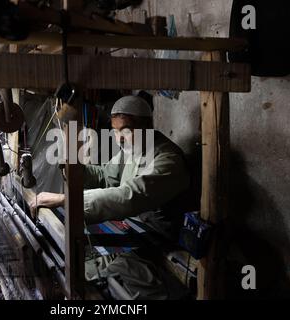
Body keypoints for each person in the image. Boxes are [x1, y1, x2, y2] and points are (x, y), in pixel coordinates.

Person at [30, 95, 190, 299]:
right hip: (130, 226)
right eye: (115, 131)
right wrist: (76, 169)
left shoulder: (168, 160)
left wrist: (68, 200)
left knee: (104, 274)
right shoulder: (131, 149)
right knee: (83, 260)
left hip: (156, 236)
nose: (119, 138)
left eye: (126, 131)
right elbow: (107, 175)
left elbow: (130, 196)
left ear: (147, 126)